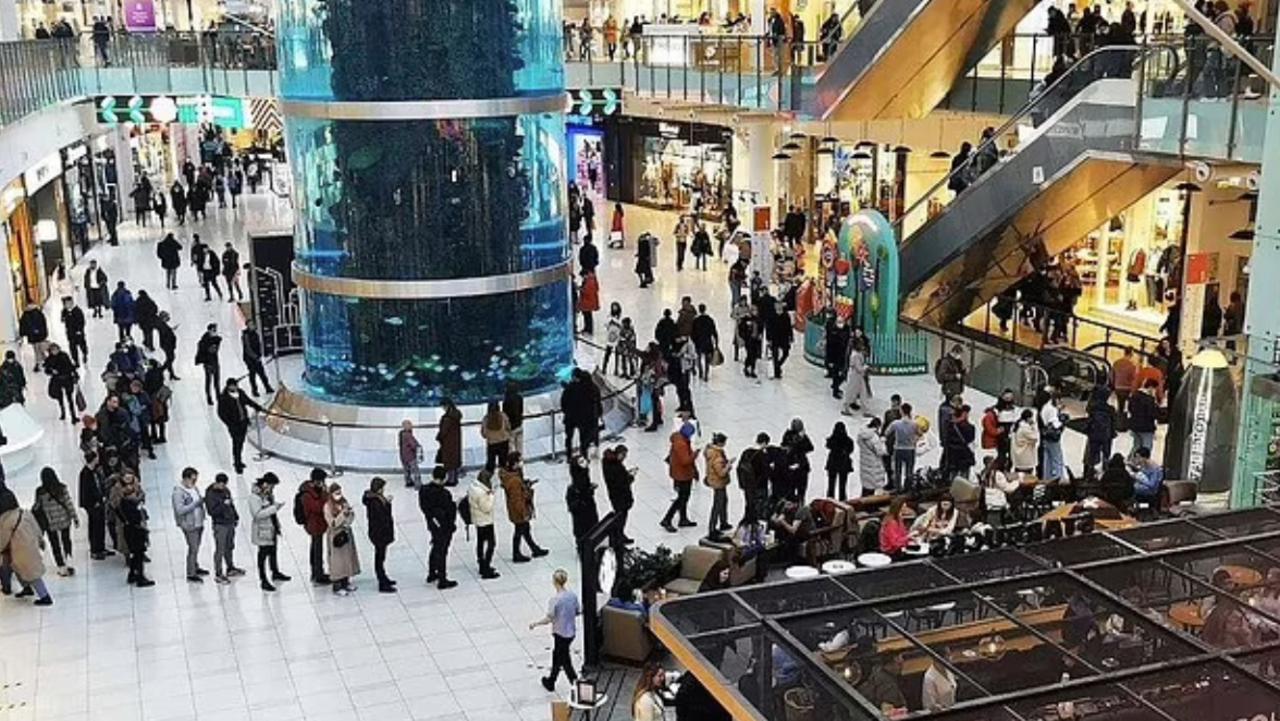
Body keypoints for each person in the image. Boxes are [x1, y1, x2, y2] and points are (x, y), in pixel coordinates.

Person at [530, 569, 582, 692]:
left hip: (560, 633)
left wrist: (536, 623)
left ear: (554, 582)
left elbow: (549, 618)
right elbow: (578, 611)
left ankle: (574, 682)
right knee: (558, 656)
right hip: (571, 632)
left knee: (564, 659)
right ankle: (551, 681)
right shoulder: (572, 596)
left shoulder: (555, 600)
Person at [0, 499, 54, 606]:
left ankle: (45, 596)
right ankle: (27, 588)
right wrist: (40, 540)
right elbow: (36, 527)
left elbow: (3, 539)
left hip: (20, 549)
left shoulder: (5, 520)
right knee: (19, 568)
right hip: (30, 545)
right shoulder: (24, 513)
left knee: (31, 573)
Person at [500, 453, 548, 562]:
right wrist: (524, 512)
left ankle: (534, 548)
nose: (522, 462)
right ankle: (516, 553)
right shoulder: (514, 481)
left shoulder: (512, 476)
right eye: (520, 460)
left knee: (525, 529)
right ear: (515, 463)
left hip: (516, 510)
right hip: (519, 511)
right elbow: (517, 500)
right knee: (520, 530)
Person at [32, 468, 78, 577]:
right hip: (64, 520)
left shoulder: (40, 491)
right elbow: (68, 503)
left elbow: (37, 507)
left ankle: (61, 566)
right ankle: (68, 560)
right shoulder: (61, 488)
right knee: (66, 540)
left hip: (50, 522)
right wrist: (74, 517)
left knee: (55, 544)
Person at [247, 473, 289, 591]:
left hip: (272, 528)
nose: (272, 489)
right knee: (263, 554)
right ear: (265, 484)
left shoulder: (268, 495)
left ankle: (275, 571)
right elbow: (257, 514)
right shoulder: (254, 497)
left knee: (273, 551)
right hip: (262, 530)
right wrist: (274, 508)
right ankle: (263, 579)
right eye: (272, 486)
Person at [419, 466, 459, 589]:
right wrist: (454, 505)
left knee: (435, 546)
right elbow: (449, 511)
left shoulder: (424, 490)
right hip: (444, 526)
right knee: (442, 551)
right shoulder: (444, 494)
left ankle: (432, 572)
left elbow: (424, 508)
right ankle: (442, 578)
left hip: (432, 524)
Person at [204, 472, 244, 584]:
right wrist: (223, 504)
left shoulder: (226, 490)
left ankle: (230, 567)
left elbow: (231, 504)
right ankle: (218, 573)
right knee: (220, 549)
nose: (223, 487)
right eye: (221, 485)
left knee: (229, 546)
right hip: (220, 524)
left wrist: (235, 516)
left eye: (225, 485)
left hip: (230, 522)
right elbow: (211, 512)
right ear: (216, 483)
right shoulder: (210, 494)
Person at [216, 379, 262, 475]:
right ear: (228, 386)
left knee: (241, 442)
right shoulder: (223, 398)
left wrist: (257, 406)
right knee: (236, 443)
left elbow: (248, 401)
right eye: (232, 386)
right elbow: (221, 413)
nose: (234, 387)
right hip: (234, 425)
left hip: (243, 422)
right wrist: (230, 423)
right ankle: (237, 463)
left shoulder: (240, 393)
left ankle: (239, 460)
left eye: (235, 385)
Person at [116, 473, 155, 587]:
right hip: (135, 532)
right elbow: (136, 519)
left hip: (131, 531)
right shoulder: (130, 505)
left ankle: (132, 574)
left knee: (135, 554)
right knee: (138, 554)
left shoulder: (124, 503)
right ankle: (140, 577)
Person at [661, 422, 699, 532]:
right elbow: (685, 460)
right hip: (682, 475)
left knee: (684, 497)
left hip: (681, 473)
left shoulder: (679, 440)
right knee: (681, 498)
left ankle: (683, 518)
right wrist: (695, 455)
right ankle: (667, 519)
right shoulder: (681, 444)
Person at [172, 467, 207, 583]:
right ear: (186, 478)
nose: (194, 482)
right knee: (193, 548)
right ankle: (191, 572)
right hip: (189, 524)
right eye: (192, 480)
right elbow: (180, 510)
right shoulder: (178, 492)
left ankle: (195, 566)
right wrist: (195, 504)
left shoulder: (194, 488)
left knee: (197, 546)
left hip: (199, 522)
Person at [324, 482, 361, 595]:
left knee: (347, 559)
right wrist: (342, 515)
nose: (339, 495)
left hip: (345, 532)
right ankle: (337, 585)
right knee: (337, 561)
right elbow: (332, 523)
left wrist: (348, 519)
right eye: (336, 493)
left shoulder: (344, 502)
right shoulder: (328, 506)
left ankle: (346, 582)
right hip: (335, 535)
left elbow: (351, 515)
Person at [362, 476, 396, 592]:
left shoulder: (375, 499)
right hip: (379, 534)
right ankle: (382, 582)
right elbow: (383, 517)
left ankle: (383, 578)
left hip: (378, 533)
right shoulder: (375, 502)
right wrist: (388, 505)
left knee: (381, 557)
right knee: (379, 557)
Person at [298, 468, 331, 584]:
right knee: (317, 550)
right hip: (314, 525)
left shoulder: (311, 490)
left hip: (317, 524)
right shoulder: (307, 494)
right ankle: (318, 575)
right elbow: (318, 507)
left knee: (315, 548)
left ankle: (316, 572)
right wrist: (325, 495)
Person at [468, 469, 501, 579]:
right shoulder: (482, 493)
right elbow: (486, 508)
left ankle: (481, 563)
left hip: (478, 520)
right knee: (491, 544)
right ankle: (486, 567)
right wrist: (491, 496)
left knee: (480, 542)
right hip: (485, 521)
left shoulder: (473, 487)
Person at [602, 445, 636, 544]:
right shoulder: (614, 466)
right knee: (620, 517)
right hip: (619, 496)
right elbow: (620, 482)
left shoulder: (610, 463)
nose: (625, 457)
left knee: (621, 517)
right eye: (624, 455)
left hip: (617, 495)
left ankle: (620, 535)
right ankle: (618, 536)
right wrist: (630, 478)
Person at [566, 454, 600, 545]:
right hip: (582, 506)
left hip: (587, 504)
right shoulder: (578, 477)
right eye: (581, 462)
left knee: (591, 523)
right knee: (583, 526)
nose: (584, 463)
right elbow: (582, 489)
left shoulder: (584, 473)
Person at [704, 432, 732, 539]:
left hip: (714, 480)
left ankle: (723, 522)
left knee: (723, 501)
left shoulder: (710, 451)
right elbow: (721, 473)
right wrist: (728, 466)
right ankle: (712, 528)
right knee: (717, 504)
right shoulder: (717, 456)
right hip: (718, 483)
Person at [1084, 385, 1118, 470]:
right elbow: (1114, 423)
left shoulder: (1092, 407)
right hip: (1107, 435)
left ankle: (1089, 471)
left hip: (1094, 434)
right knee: (1106, 454)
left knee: (1092, 453)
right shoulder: (1110, 409)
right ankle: (1105, 469)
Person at [886, 403, 920, 491]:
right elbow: (920, 434)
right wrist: (914, 440)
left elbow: (887, 432)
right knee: (909, 471)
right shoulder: (914, 424)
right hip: (910, 449)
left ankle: (898, 488)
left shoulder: (896, 423)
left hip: (898, 449)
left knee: (897, 471)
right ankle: (908, 488)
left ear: (901, 411)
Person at [781, 418, 815, 503]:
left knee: (801, 491)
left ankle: (800, 505)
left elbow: (810, 447)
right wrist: (800, 439)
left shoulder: (802, 436)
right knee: (791, 492)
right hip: (791, 467)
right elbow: (791, 449)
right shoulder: (788, 436)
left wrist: (803, 438)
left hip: (802, 467)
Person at [44, 343, 78, 423]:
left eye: (56, 349)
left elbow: (70, 366)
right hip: (57, 381)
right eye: (53, 350)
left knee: (70, 398)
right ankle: (63, 413)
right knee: (60, 398)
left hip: (66, 379)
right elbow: (47, 370)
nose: (55, 351)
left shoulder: (64, 356)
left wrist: (75, 374)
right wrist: (52, 371)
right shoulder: (50, 359)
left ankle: (73, 415)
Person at [980, 456, 1019, 525]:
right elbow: (1008, 488)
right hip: (996, 502)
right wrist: (1017, 482)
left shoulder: (983, 473)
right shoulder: (997, 474)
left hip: (986, 501)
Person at [857, 418, 888, 498]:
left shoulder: (861, 435)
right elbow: (880, 451)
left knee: (865, 486)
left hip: (864, 462)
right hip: (873, 464)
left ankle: (862, 503)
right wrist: (882, 441)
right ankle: (869, 506)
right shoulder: (874, 437)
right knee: (871, 488)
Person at [241, 321, 275, 396]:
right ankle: (254, 390)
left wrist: (259, 355)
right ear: (247, 326)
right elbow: (248, 348)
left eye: (253, 324)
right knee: (252, 374)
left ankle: (267, 387)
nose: (252, 326)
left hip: (256, 357)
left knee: (262, 373)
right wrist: (255, 357)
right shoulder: (245, 335)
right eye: (250, 325)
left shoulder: (255, 334)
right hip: (249, 358)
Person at [1128, 379, 1159, 459]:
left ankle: (1132, 460)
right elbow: (1152, 414)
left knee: (1136, 445)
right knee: (1147, 447)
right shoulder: (1149, 399)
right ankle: (1143, 463)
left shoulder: (1134, 396)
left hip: (1135, 426)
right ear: (1151, 387)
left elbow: (1130, 409)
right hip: (1146, 427)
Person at [824, 422, 855, 501]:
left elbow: (828, 445)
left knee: (831, 485)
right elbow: (851, 449)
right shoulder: (848, 441)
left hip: (832, 464)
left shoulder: (832, 439)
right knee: (842, 487)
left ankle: (830, 501)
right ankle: (842, 501)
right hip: (844, 464)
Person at [436, 399, 463, 486]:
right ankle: (454, 478)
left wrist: (439, 437)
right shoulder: (456, 416)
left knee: (449, 461)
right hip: (456, 442)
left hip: (448, 443)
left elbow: (443, 431)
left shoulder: (447, 418)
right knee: (454, 461)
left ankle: (451, 480)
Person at [480, 400, 511, 472]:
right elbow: (509, 427)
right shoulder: (503, 416)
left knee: (490, 464)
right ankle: (504, 479)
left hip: (492, 444)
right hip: (503, 442)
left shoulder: (486, 418)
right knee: (503, 463)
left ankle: (487, 479)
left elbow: (483, 434)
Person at [842, 338, 871, 414]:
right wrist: (866, 367)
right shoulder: (855, 355)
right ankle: (846, 408)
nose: (862, 346)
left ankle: (866, 410)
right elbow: (859, 368)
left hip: (859, 376)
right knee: (850, 392)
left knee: (863, 392)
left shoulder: (859, 353)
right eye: (860, 344)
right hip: (854, 376)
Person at [196, 323, 222, 405]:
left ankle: (218, 396)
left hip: (215, 362)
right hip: (208, 363)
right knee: (209, 381)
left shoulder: (216, 339)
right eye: (214, 329)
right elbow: (205, 351)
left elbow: (217, 345)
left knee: (216, 381)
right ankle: (209, 397)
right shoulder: (203, 341)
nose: (215, 331)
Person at [691, 304, 719, 380]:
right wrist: (716, 342)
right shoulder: (709, 319)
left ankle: (700, 372)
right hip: (707, 341)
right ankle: (706, 374)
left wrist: (693, 341)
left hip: (699, 342)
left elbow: (693, 333)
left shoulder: (696, 320)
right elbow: (714, 332)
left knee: (699, 357)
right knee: (707, 359)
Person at [18, 302, 50, 371]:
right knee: (38, 350)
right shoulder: (33, 314)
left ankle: (41, 363)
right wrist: (22, 334)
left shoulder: (29, 314)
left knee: (38, 350)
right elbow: (23, 325)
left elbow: (23, 325)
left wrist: (22, 334)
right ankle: (43, 362)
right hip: (35, 336)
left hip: (38, 336)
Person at [766, 302, 793, 379]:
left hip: (784, 337)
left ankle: (778, 365)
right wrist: (769, 338)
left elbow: (789, 327)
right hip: (774, 338)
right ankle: (777, 371)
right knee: (775, 355)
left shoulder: (786, 315)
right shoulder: (771, 316)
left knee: (786, 353)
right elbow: (768, 328)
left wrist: (790, 336)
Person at [1011, 408, 1040, 477]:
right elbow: (1035, 436)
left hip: (1018, 456)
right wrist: (1033, 426)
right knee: (1026, 476)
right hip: (1025, 456)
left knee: (1018, 474)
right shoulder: (1025, 428)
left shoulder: (1018, 425)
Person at [1112, 347, 1139, 413]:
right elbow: (1134, 379)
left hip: (1118, 387)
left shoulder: (1116, 363)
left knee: (1120, 405)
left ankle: (1119, 418)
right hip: (1127, 388)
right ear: (1131, 354)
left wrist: (1114, 385)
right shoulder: (1132, 365)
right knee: (1130, 405)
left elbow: (1112, 375)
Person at [398, 420, 423, 488]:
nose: (412, 426)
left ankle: (408, 482)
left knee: (406, 470)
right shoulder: (408, 435)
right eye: (410, 424)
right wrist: (418, 447)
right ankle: (418, 484)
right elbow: (413, 445)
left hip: (403, 455)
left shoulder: (401, 434)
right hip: (410, 456)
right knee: (415, 470)